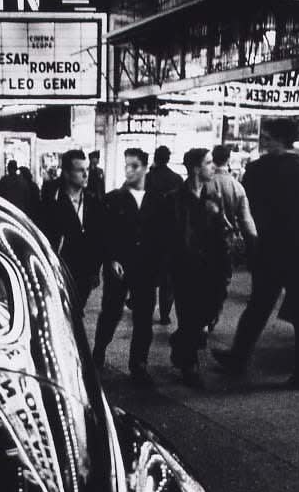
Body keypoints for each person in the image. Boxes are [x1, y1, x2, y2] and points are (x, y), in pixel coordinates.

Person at [212, 117, 299, 390]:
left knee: (258, 307)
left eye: (266, 137)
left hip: (270, 252)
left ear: (275, 139)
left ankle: (238, 359)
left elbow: (250, 213)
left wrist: (252, 247)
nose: (263, 141)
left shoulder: (258, 170)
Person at [92, 147, 164, 385]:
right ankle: (99, 350)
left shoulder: (156, 200)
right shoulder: (113, 199)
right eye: (127, 165)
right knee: (111, 312)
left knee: (144, 318)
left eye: (134, 165)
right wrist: (110, 258)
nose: (129, 170)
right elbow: (103, 233)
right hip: (120, 266)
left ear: (145, 168)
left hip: (146, 267)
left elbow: (161, 235)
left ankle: (139, 364)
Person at [164, 148, 228, 387]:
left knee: (206, 314)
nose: (213, 167)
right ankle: (189, 365)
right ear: (195, 168)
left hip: (210, 267)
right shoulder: (175, 199)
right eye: (208, 163)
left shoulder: (213, 197)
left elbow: (219, 233)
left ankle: (180, 346)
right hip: (185, 268)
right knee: (189, 316)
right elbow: (175, 236)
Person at [40, 149, 108, 308]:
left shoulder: (93, 202)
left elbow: (99, 237)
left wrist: (95, 269)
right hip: (62, 272)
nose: (86, 175)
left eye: (86, 170)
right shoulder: (52, 204)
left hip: (86, 273)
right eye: (80, 170)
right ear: (66, 173)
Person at [208, 143, 258, 326]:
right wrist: (253, 240)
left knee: (202, 280)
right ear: (228, 160)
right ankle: (213, 315)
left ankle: (203, 321)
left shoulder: (204, 183)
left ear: (212, 159)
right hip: (226, 243)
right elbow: (246, 220)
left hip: (202, 242)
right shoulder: (237, 187)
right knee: (221, 282)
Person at [146, 145, 183, 325]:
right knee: (168, 277)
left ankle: (145, 307)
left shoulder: (147, 178)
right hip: (170, 234)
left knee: (149, 273)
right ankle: (165, 314)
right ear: (168, 159)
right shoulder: (176, 179)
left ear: (156, 157)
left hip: (150, 233)